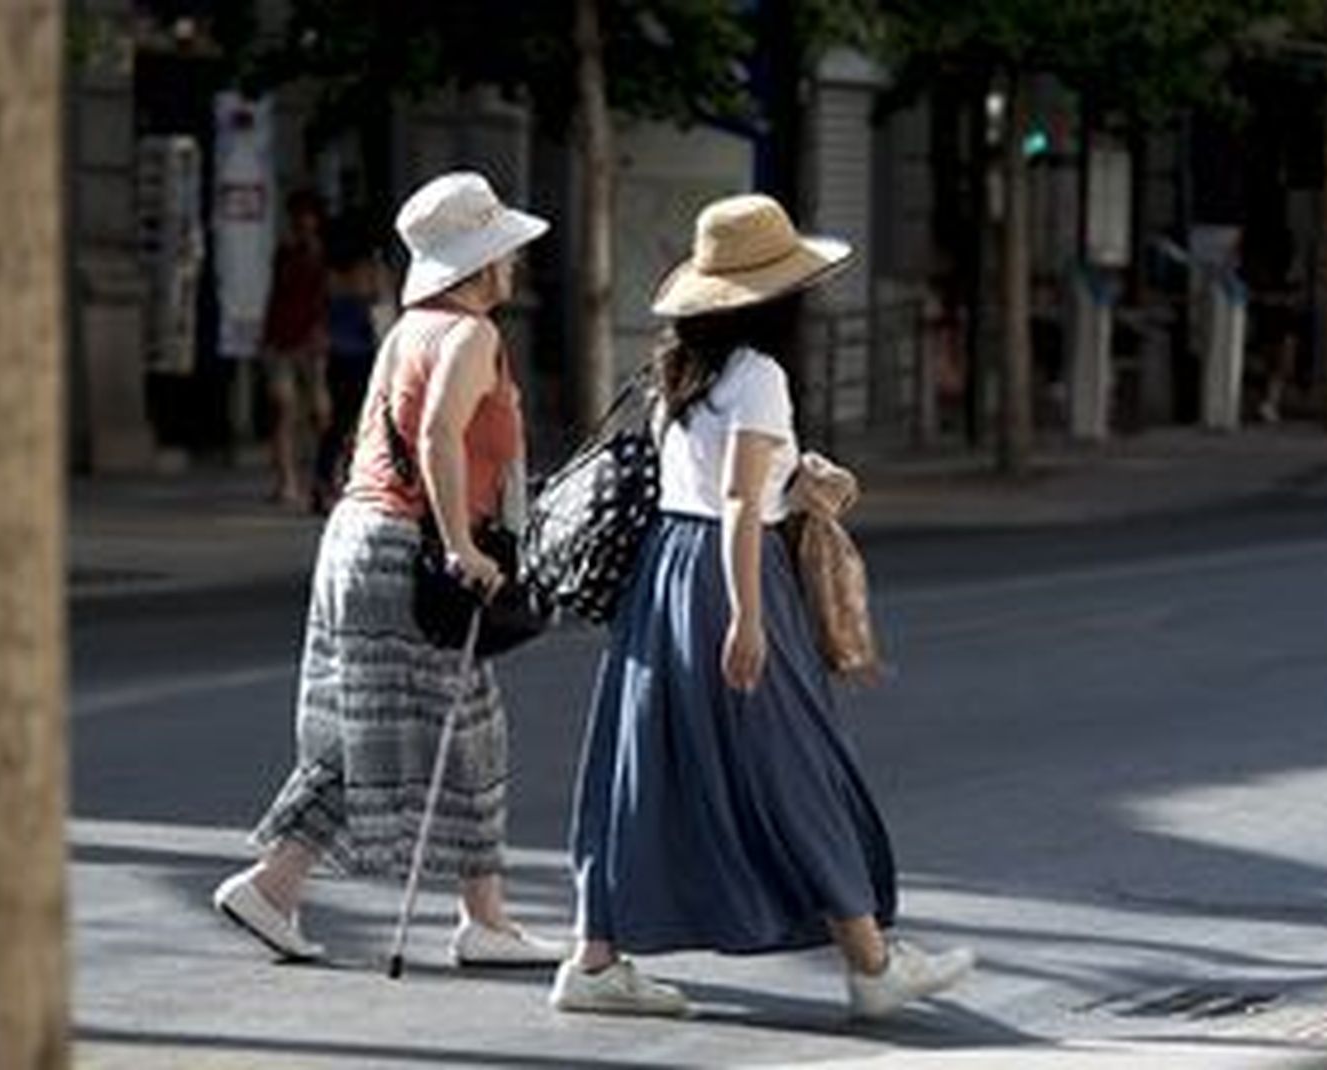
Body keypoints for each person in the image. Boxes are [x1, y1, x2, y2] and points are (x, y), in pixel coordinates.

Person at [550, 194, 975, 1019]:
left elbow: (722, 483)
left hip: (665, 577)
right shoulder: (761, 375)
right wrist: (747, 617)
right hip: (725, 578)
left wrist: (797, 476)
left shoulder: (677, 372)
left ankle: (595, 959)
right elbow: (740, 507)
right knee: (796, 763)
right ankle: (871, 964)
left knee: (640, 764)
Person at [214, 172, 562, 968]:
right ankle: (481, 922)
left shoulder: (409, 329)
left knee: (360, 736)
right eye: (506, 250)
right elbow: (439, 436)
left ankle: (276, 889)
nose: (514, 264)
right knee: (466, 731)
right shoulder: (471, 336)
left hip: (358, 541)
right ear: (483, 262)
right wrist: (460, 545)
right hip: (408, 548)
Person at [261, 190, 331, 509]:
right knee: (285, 409)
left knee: (319, 412)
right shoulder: (285, 254)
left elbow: (325, 300)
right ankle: (287, 480)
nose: (303, 223)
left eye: (308, 217)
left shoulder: (322, 255)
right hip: (283, 339)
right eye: (298, 218)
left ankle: (320, 474)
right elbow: (275, 296)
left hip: (312, 341)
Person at [311, 221, 383, 514]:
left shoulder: (337, 277)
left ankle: (332, 482)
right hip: (350, 356)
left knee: (345, 426)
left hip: (350, 355)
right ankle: (332, 482)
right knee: (346, 425)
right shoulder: (354, 276)